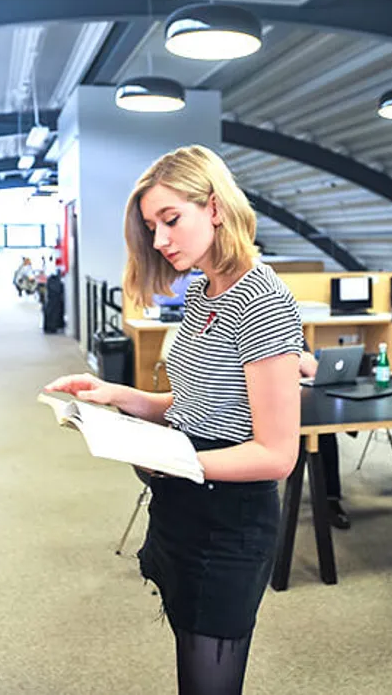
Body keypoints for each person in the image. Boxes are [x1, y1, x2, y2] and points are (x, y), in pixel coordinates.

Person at [45, 145, 303, 695]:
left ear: (213, 207)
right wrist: (117, 394)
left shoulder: (262, 299)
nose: (160, 240)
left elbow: (278, 454)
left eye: (170, 220)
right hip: (184, 508)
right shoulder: (207, 290)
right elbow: (194, 405)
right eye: (151, 226)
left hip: (228, 521)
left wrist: (176, 461)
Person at [299, 349, 350, 529]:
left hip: (296, 395)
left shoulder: (292, 328)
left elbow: (312, 367)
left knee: (324, 429)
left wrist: (303, 360)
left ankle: (330, 499)